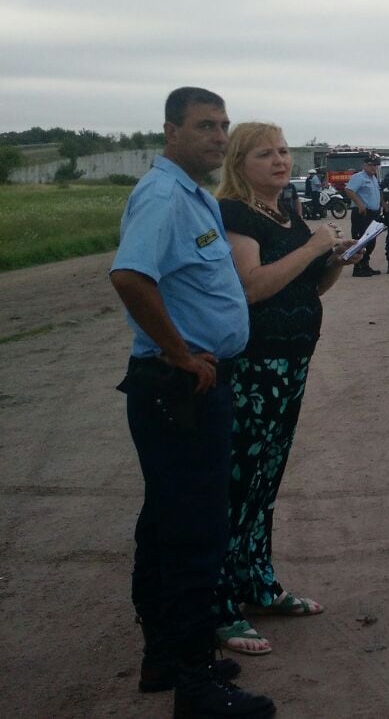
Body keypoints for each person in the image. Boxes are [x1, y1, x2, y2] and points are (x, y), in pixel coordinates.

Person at [108, 86, 275, 717]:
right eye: (205, 125)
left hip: (191, 383)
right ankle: (198, 686)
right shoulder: (162, 196)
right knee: (194, 533)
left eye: (224, 125)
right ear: (171, 132)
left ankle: (166, 655)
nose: (219, 136)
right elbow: (130, 275)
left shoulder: (194, 195)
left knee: (165, 525)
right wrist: (179, 353)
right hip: (181, 387)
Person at [211, 122, 351, 657]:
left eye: (285, 151)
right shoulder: (235, 215)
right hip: (254, 368)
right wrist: (316, 243)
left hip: (292, 363)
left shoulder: (285, 213)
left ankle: (258, 582)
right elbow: (250, 287)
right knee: (238, 483)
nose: (281, 161)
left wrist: (335, 261)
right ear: (240, 162)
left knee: (267, 481)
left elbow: (306, 285)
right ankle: (220, 604)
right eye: (265, 153)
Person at [344, 155, 383, 278]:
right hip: (362, 213)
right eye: (371, 165)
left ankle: (365, 265)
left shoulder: (373, 178)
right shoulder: (359, 177)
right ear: (364, 165)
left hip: (373, 213)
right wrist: (360, 204)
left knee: (371, 241)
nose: (373, 168)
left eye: (375, 166)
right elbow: (349, 190)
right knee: (361, 241)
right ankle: (358, 268)